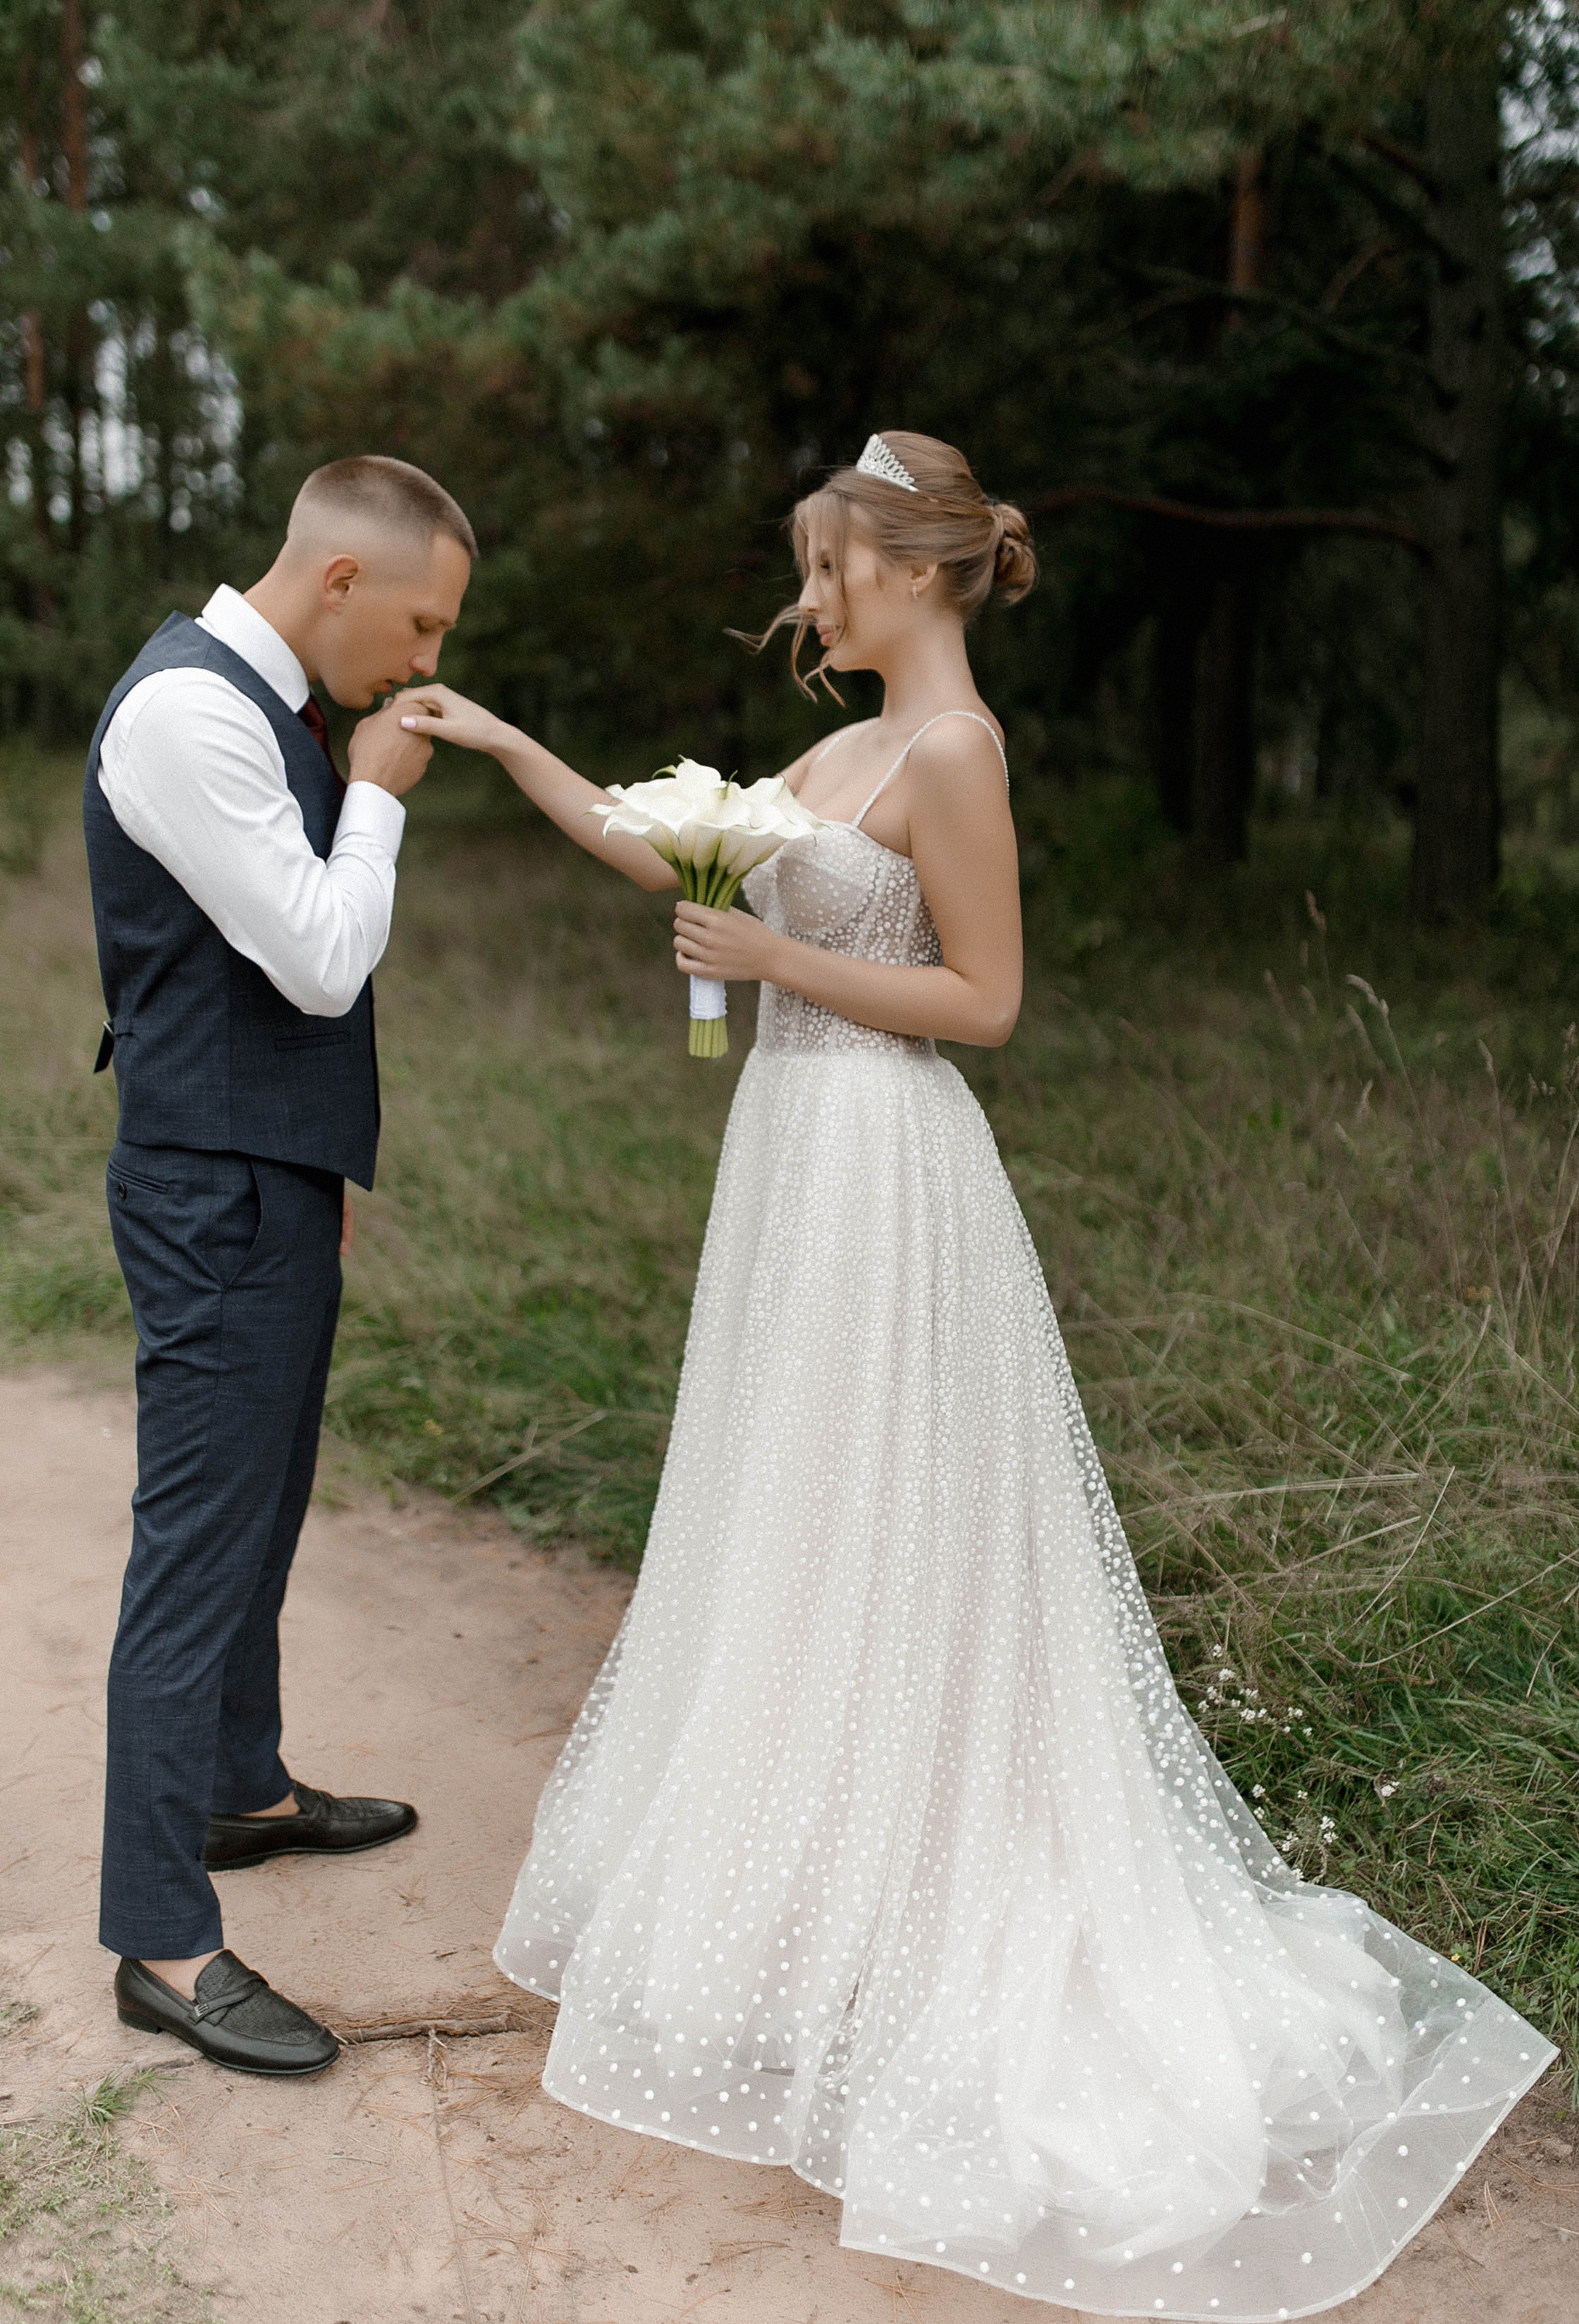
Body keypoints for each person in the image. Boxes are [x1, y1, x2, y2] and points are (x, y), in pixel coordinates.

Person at [394, 432, 1554, 2316]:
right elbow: (656, 838)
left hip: (887, 1168)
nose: (812, 599)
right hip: (794, 1173)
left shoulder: (952, 754)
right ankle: (808, 1908)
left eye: (833, 569)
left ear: (919, 571)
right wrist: (507, 744)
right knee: (796, 1527)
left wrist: (781, 956)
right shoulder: (833, 754)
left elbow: (987, 1002)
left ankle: (917, 1911)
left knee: (894, 1537)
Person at [83, 455, 473, 2077]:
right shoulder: (189, 713)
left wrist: (313, 1169)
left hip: (268, 1179)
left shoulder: (264, 699)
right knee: (196, 1550)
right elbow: (315, 958)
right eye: (422, 620)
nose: (427, 661)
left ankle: (243, 1789)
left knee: (262, 1507)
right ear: (335, 582)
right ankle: (164, 1940)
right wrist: (379, 785)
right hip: (211, 1190)